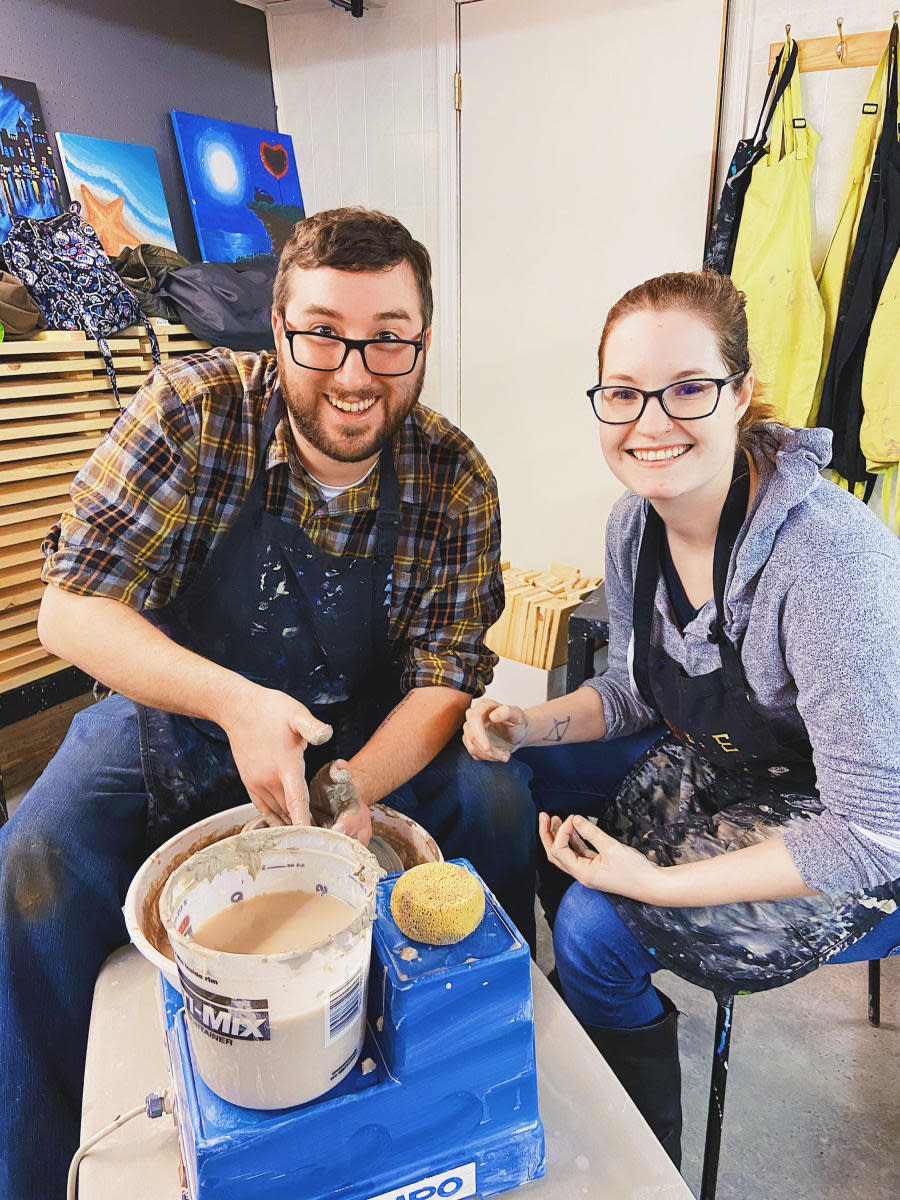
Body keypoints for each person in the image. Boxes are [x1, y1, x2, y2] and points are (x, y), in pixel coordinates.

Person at [0, 207, 536, 1200]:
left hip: (367, 728)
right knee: (32, 859)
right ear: (278, 326)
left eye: (389, 337)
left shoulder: (454, 477)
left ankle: (482, 1064)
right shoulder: (191, 412)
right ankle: (33, 1168)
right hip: (185, 705)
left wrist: (351, 788)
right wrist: (235, 702)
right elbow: (70, 613)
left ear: (423, 338)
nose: (355, 369)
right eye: (323, 331)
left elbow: (445, 675)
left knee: (504, 806)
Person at [463, 270, 900, 1168]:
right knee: (507, 779)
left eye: (687, 389)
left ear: (739, 393)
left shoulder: (828, 560)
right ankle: (590, 1004)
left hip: (859, 844)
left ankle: (634, 1162)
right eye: (623, 394)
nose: (650, 423)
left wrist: (649, 886)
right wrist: (523, 724)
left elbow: (873, 835)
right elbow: (631, 692)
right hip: (734, 775)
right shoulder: (636, 525)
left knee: (594, 925)